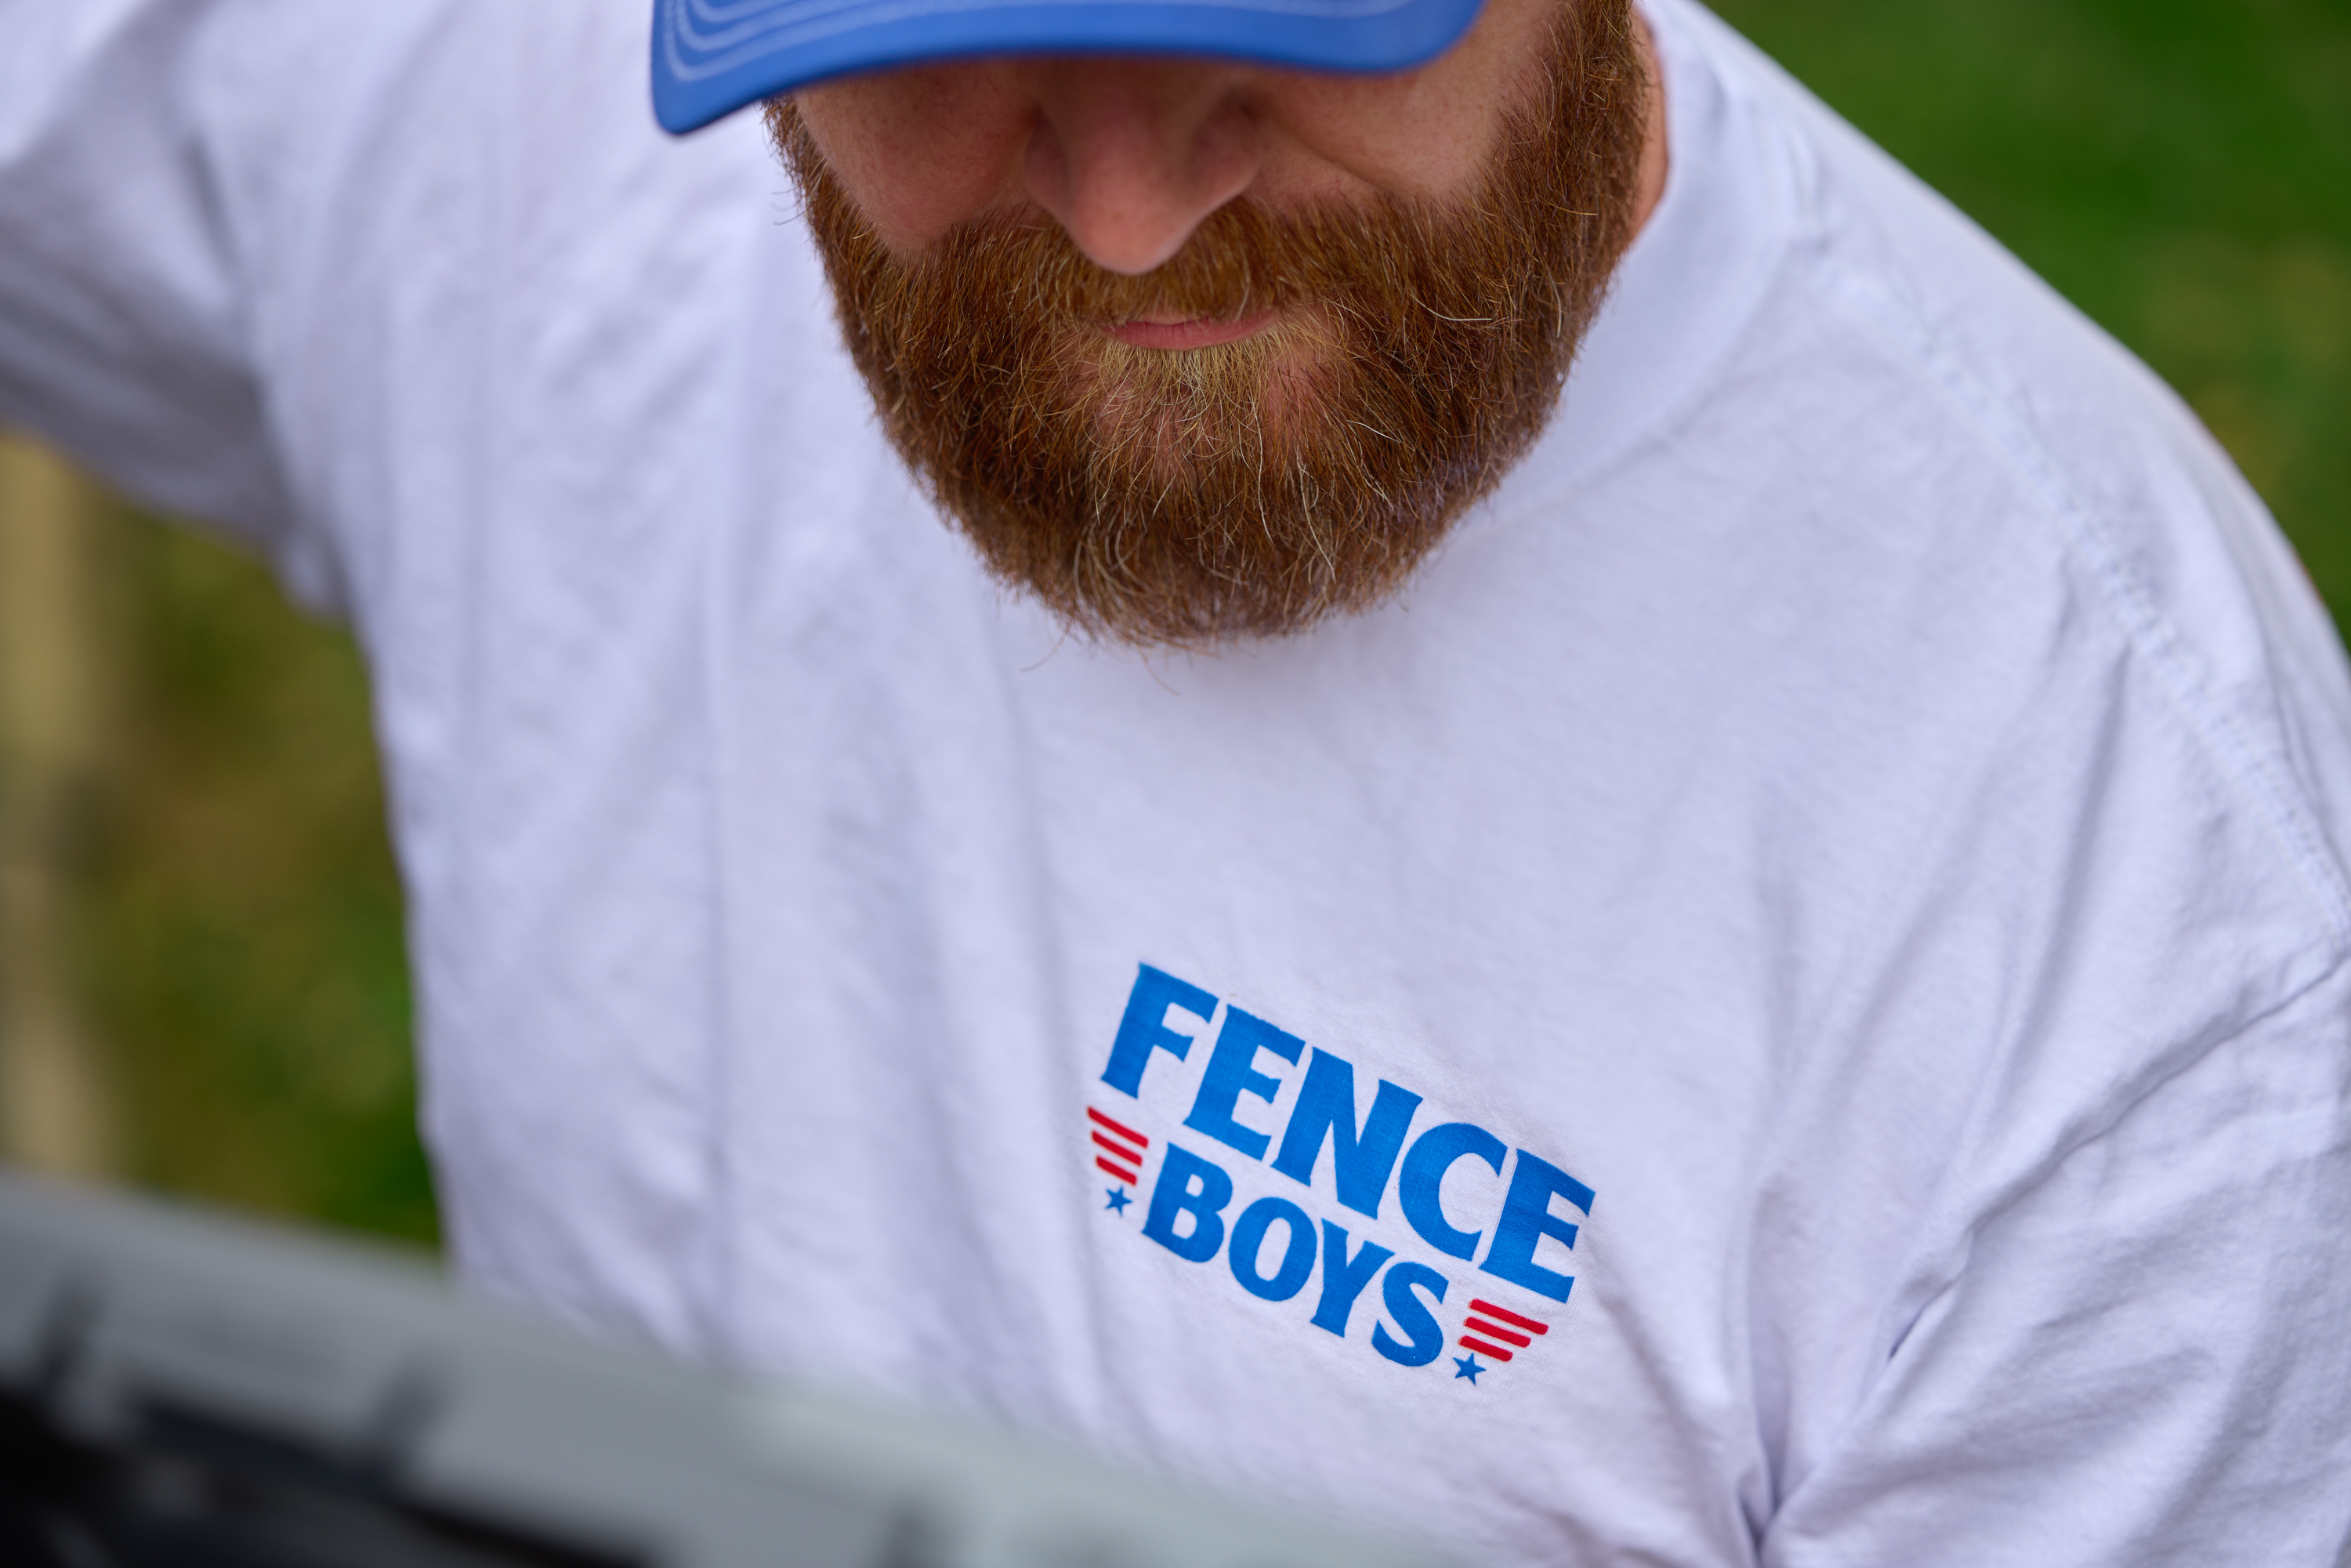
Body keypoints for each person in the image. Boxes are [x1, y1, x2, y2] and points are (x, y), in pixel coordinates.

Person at [2, 0, 2348, 1561]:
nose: (1128, 214)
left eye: (1278, 17)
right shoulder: (483, 125)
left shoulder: (2133, 942)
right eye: (937, 30)